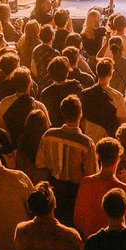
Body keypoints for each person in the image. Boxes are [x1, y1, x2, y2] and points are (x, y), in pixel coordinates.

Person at [34, 94, 96, 225]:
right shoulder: (86, 143)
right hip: (75, 192)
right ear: (80, 113)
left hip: (53, 186)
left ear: (63, 112)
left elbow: (39, 163)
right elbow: (91, 175)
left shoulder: (48, 135)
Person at [73, 136, 126, 240]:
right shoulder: (124, 189)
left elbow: (78, 219)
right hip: (118, 244)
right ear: (118, 158)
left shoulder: (86, 183)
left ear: (97, 157)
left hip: (92, 243)